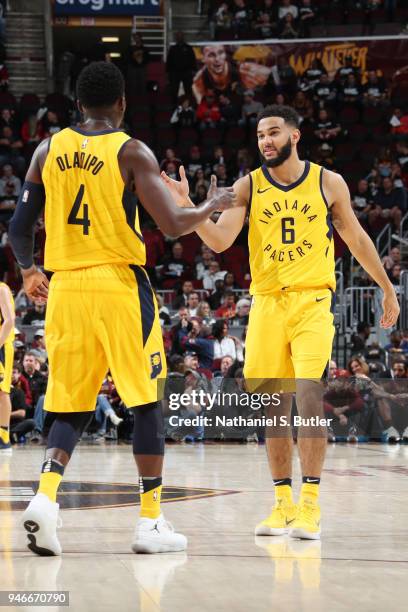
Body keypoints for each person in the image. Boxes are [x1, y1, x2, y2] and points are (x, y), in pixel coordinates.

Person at [8, 61, 235, 557]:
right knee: (147, 398)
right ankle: (150, 523)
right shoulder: (131, 150)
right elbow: (174, 224)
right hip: (118, 285)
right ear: (122, 104)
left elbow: (18, 227)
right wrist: (211, 203)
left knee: (69, 403)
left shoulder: (47, 150)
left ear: (77, 103)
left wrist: (28, 271)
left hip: (65, 288)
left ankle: (45, 498)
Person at [161, 103, 400, 540]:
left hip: (311, 301)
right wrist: (191, 206)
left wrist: (385, 287)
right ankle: (282, 505)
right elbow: (220, 237)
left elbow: (357, 237)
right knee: (275, 408)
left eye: (272, 132)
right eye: (259, 136)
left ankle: (310, 506)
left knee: (308, 396)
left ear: (294, 135)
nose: (265, 141)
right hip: (267, 304)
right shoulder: (248, 185)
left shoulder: (328, 182)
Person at [0, 282, 15, 452]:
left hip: (2, 345)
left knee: (2, 390)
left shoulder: (1, 288)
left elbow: (10, 321)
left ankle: (3, 436)